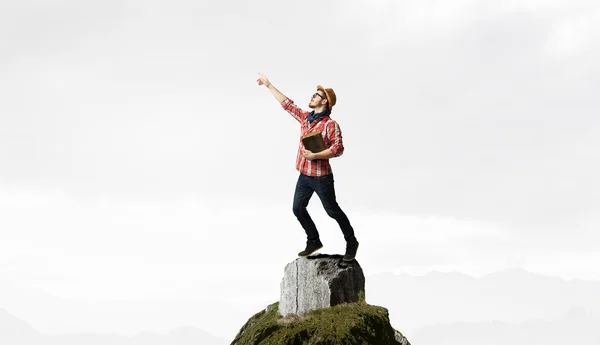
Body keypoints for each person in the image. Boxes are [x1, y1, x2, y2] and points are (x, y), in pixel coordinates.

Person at [256, 73, 359, 261]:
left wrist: (316, 155)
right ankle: (313, 240)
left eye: (317, 95)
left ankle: (351, 242)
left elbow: (338, 148)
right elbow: (288, 105)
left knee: (332, 211)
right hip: (304, 175)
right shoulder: (306, 118)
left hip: (321, 177)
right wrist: (269, 85)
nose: (312, 96)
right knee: (298, 209)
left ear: (325, 102)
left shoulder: (330, 125)